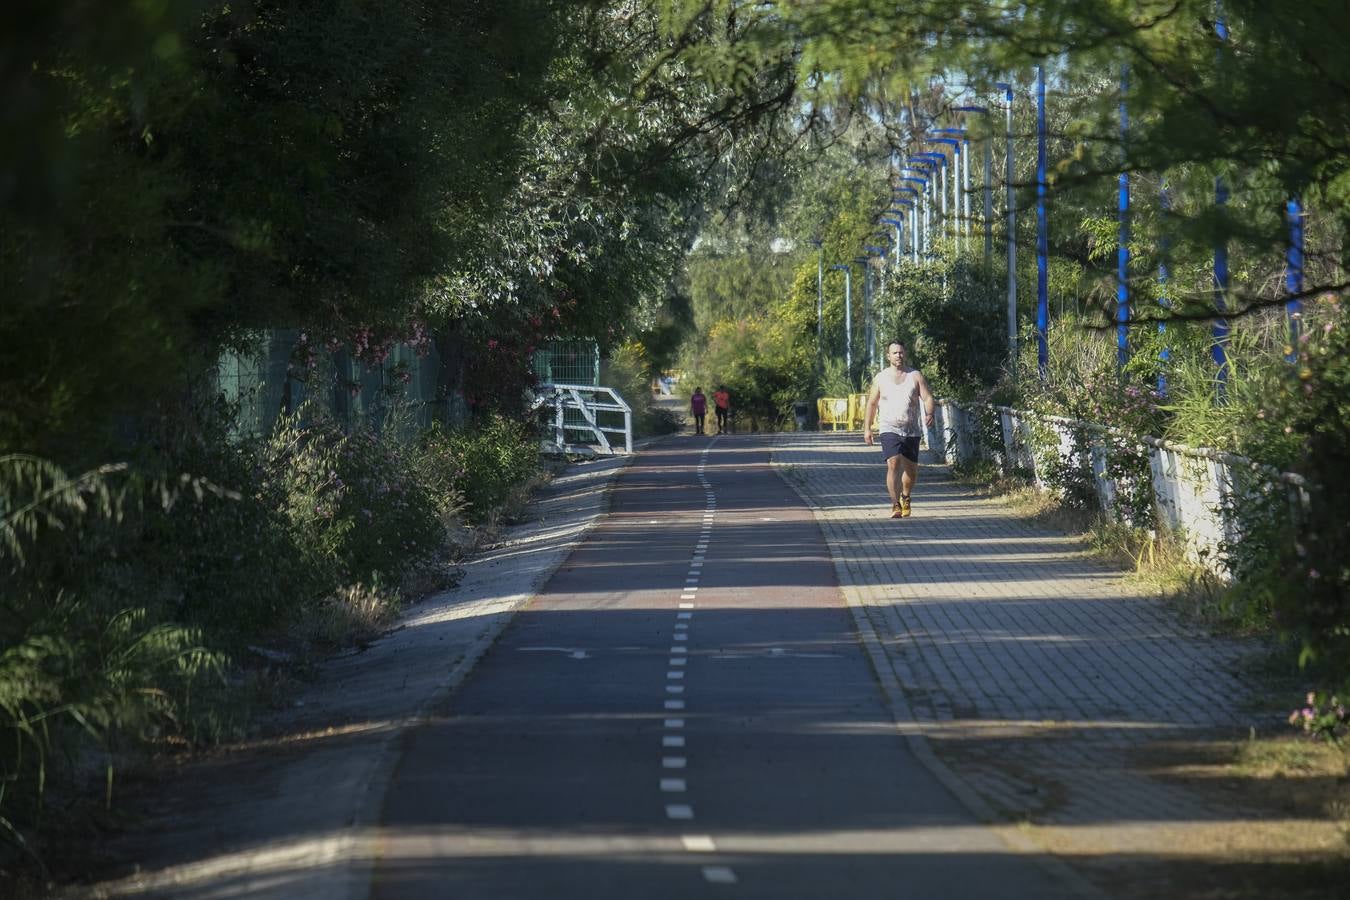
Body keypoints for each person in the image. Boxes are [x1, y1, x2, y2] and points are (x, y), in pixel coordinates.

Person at [863, 340, 935, 518]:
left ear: (905, 354)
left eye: (901, 352)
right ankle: (895, 505)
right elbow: (872, 404)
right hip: (889, 427)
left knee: (911, 471)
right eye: (894, 353)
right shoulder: (881, 378)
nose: (898, 355)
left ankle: (906, 496)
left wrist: (929, 413)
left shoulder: (915, 376)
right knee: (893, 463)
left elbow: (927, 398)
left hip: (911, 430)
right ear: (888, 356)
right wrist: (867, 428)